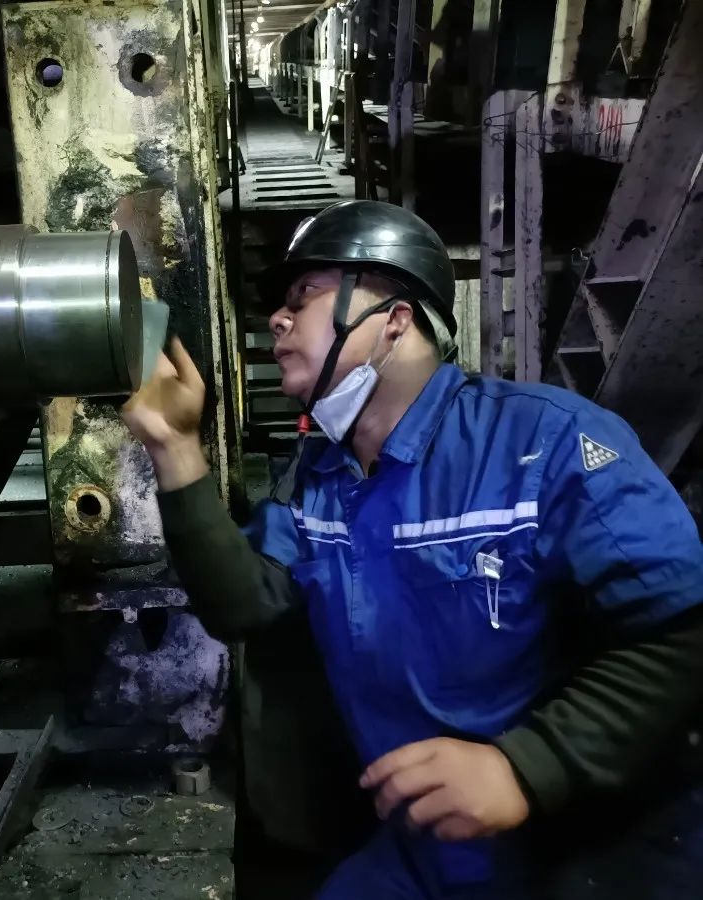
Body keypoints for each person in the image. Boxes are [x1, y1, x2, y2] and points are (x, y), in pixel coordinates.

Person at [123, 200, 703, 898]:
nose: (277, 319)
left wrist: (529, 766)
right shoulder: (323, 477)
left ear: (394, 321)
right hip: (426, 851)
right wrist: (175, 446)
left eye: (304, 297)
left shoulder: (546, 444)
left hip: (594, 849)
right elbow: (243, 603)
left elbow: (683, 629)